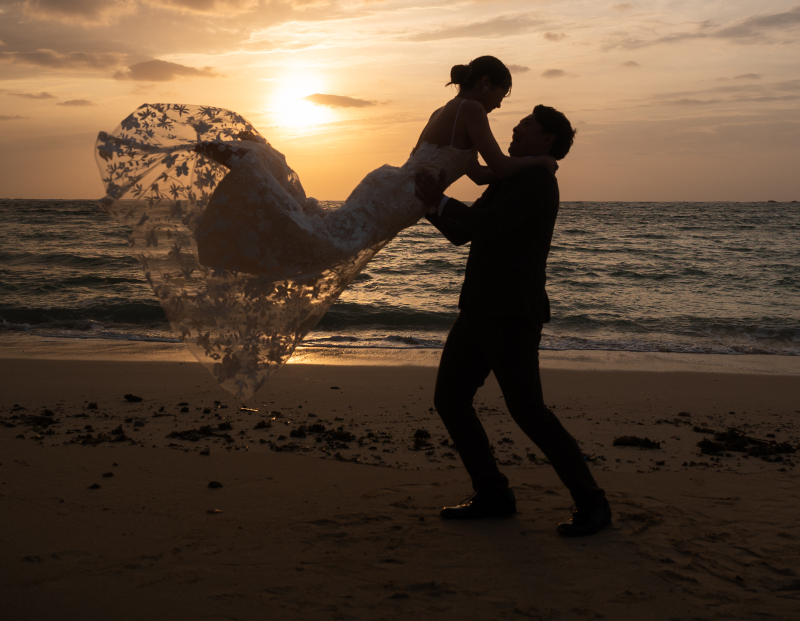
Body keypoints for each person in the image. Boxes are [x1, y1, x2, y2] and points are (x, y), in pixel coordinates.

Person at [95, 56, 555, 399]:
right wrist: (543, 160)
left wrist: (530, 165)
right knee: (322, 242)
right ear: (487, 82)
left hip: (390, 186)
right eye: (502, 94)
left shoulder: (451, 110)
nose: (500, 104)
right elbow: (496, 164)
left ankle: (250, 161)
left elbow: (480, 174)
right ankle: (249, 162)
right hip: (397, 194)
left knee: (320, 231)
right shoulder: (472, 109)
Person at [414, 105, 611, 538]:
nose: (515, 128)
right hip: (477, 310)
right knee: (450, 400)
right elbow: (463, 232)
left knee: (529, 412)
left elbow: (489, 224)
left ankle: (593, 502)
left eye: (526, 126)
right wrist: (428, 205)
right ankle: (493, 494)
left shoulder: (539, 181)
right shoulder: (513, 178)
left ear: (547, 141)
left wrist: (442, 199)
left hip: (511, 315)